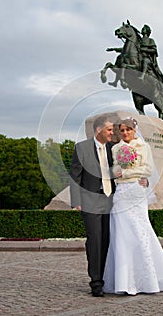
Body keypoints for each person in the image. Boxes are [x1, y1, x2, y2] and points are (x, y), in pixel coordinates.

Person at [103, 118, 163, 295]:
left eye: (128, 130)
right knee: (121, 234)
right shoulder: (115, 148)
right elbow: (114, 171)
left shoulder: (143, 147)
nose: (125, 133)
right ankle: (123, 281)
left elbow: (148, 170)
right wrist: (119, 173)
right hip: (121, 192)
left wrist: (127, 172)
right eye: (122, 130)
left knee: (140, 231)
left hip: (137, 190)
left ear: (134, 130)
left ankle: (148, 280)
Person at [70, 116, 115, 297]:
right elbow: (75, 175)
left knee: (107, 240)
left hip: (111, 201)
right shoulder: (82, 148)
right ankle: (96, 283)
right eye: (110, 130)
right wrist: (77, 201)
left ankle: (106, 279)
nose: (113, 133)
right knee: (95, 241)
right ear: (99, 130)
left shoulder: (114, 149)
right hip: (90, 202)